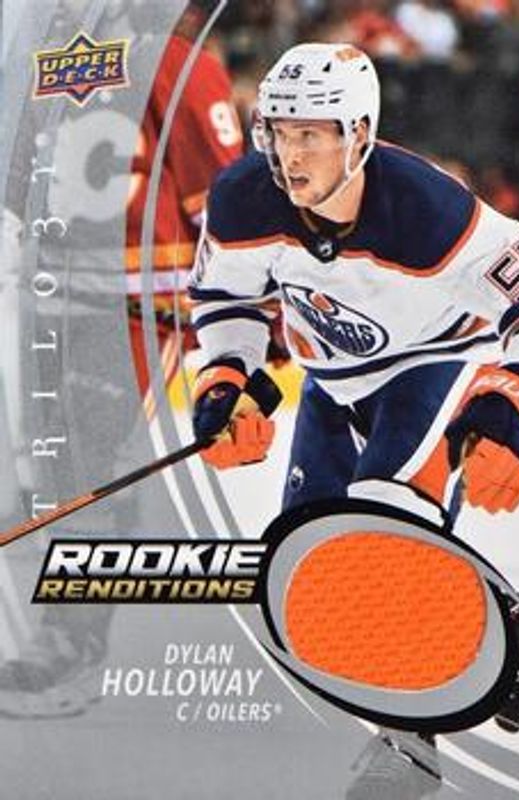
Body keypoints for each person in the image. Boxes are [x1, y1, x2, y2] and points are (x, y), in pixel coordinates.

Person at [188, 42, 519, 798]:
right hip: (330, 384)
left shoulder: (428, 210)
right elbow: (226, 299)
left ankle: (409, 745)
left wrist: (518, 403)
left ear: (358, 133)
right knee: (303, 565)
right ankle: (505, 619)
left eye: (310, 134)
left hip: (431, 369)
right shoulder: (243, 197)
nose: (289, 155)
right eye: (278, 132)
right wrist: (227, 375)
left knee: (377, 541)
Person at [0, 3, 245, 720]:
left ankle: (70, 649)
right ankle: (65, 632)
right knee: (59, 468)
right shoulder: (127, 63)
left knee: (84, 467)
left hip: (133, 304)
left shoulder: (146, 66)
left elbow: (225, 209)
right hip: (65, 296)